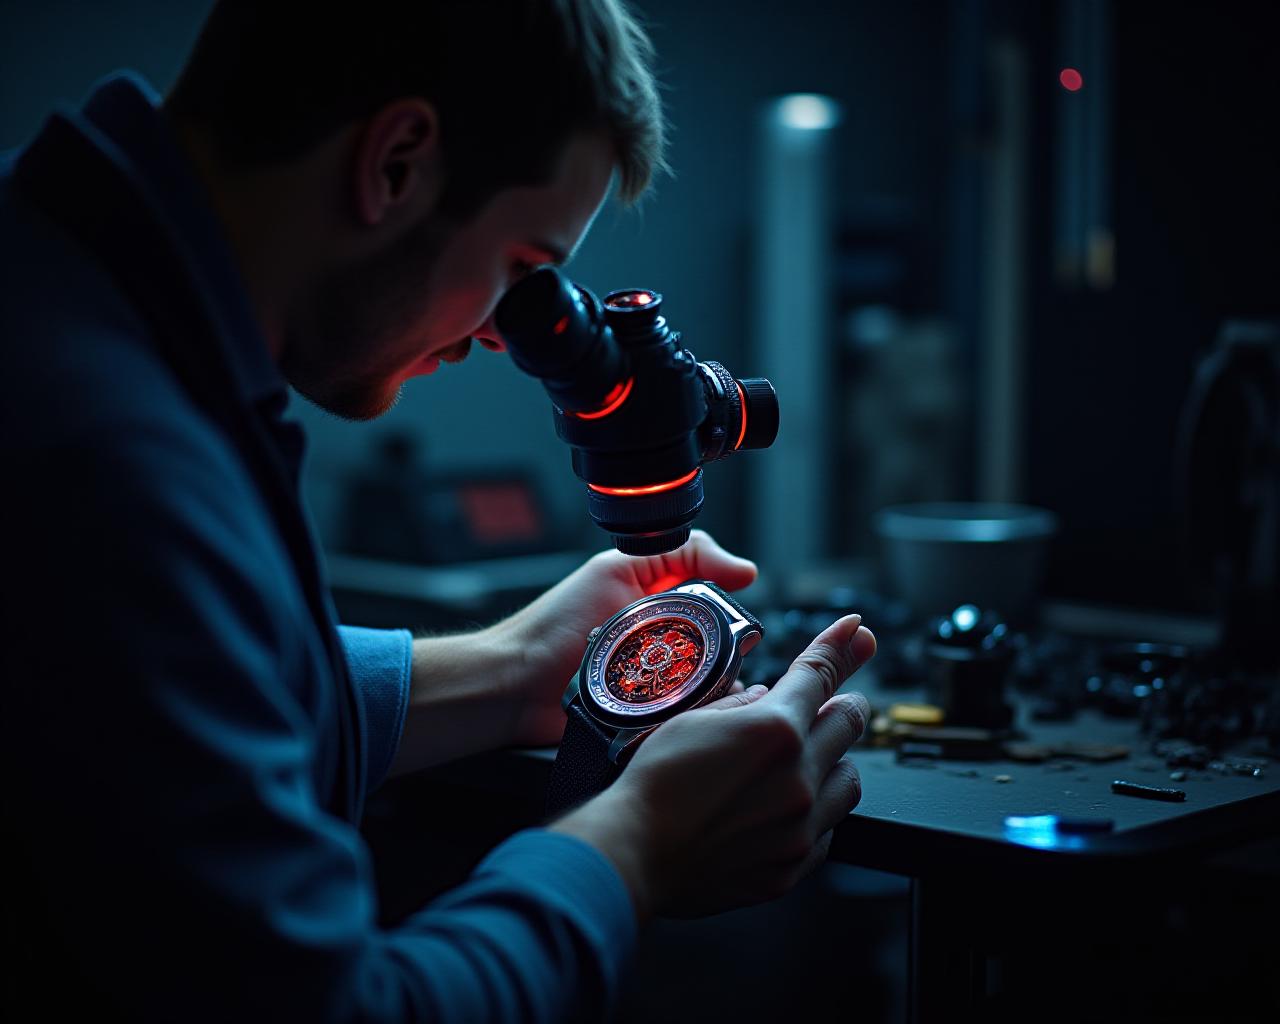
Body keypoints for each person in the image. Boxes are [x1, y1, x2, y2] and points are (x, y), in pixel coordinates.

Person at [0, 2, 876, 1020]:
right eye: (523, 272)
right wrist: (637, 840)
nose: (510, 337)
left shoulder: (63, 289)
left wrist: (514, 666)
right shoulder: (111, 454)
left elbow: (153, 707)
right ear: (396, 162)